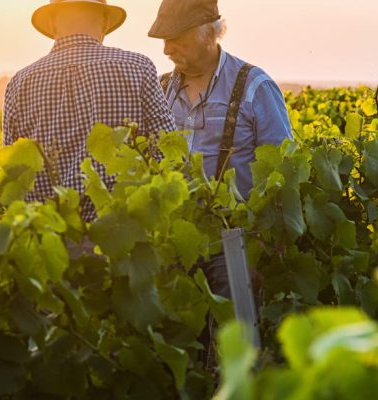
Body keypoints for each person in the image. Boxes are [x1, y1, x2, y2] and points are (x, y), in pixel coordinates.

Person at [149, 0, 293, 370]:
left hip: (238, 243)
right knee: (181, 354)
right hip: (179, 241)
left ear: (209, 32)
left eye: (174, 38)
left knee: (239, 355)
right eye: (163, 40)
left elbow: (283, 169)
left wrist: (268, 247)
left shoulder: (255, 86)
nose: (166, 49)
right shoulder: (161, 89)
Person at [3, 0, 176, 228]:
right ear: (105, 22)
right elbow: (168, 151)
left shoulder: (19, 83)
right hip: (122, 235)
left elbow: (12, 180)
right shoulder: (138, 67)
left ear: (53, 24)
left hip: (48, 243)